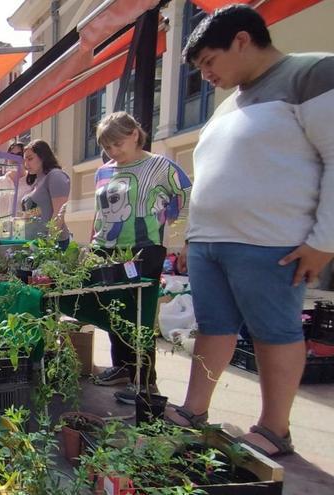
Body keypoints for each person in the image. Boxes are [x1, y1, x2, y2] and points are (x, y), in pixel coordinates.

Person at [164, 5, 334, 458]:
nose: (207, 76)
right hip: (210, 241)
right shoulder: (228, 104)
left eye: (209, 62)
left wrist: (324, 240)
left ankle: (274, 429)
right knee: (214, 327)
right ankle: (193, 409)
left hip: (270, 240)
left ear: (242, 40)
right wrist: (189, 236)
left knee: (273, 332)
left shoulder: (312, 73)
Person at [90, 111, 192, 406]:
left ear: (135, 134)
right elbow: (101, 212)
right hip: (105, 248)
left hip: (144, 248)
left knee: (139, 313)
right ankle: (122, 367)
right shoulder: (103, 171)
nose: (112, 152)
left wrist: (180, 231)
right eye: (107, 147)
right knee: (111, 309)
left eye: (117, 144)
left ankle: (146, 381)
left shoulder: (160, 166)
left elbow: (186, 195)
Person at [20, 140, 71, 246]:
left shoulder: (55, 176)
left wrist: (49, 244)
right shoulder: (37, 181)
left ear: (43, 156)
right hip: (34, 242)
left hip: (53, 243)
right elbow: (39, 211)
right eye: (24, 160)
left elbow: (59, 214)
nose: (26, 164)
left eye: (30, 159)